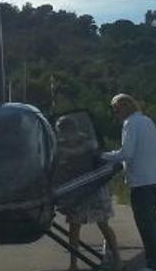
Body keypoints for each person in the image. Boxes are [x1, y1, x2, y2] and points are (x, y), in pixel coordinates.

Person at [101, 94, 156, 271]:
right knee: (153, 224)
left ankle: (154, 265)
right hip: (154, 179)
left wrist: (102, 156)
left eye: (116, 109)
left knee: (146, 226)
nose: (115, 114)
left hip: (141, 182)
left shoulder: (130, 123)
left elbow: (126, 153)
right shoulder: (147, 121)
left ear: (124, 107)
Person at [55, 116, 120, 271]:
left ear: (71, 129)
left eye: (64, 132)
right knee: (74, 227)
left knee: (103, 225)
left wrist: (61, 150)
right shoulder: (61, 144)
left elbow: (79, 152)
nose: (63, 136)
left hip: (94, 189)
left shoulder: (88, 142)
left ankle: (118, 260)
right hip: (76, 191)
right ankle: (73, 264)